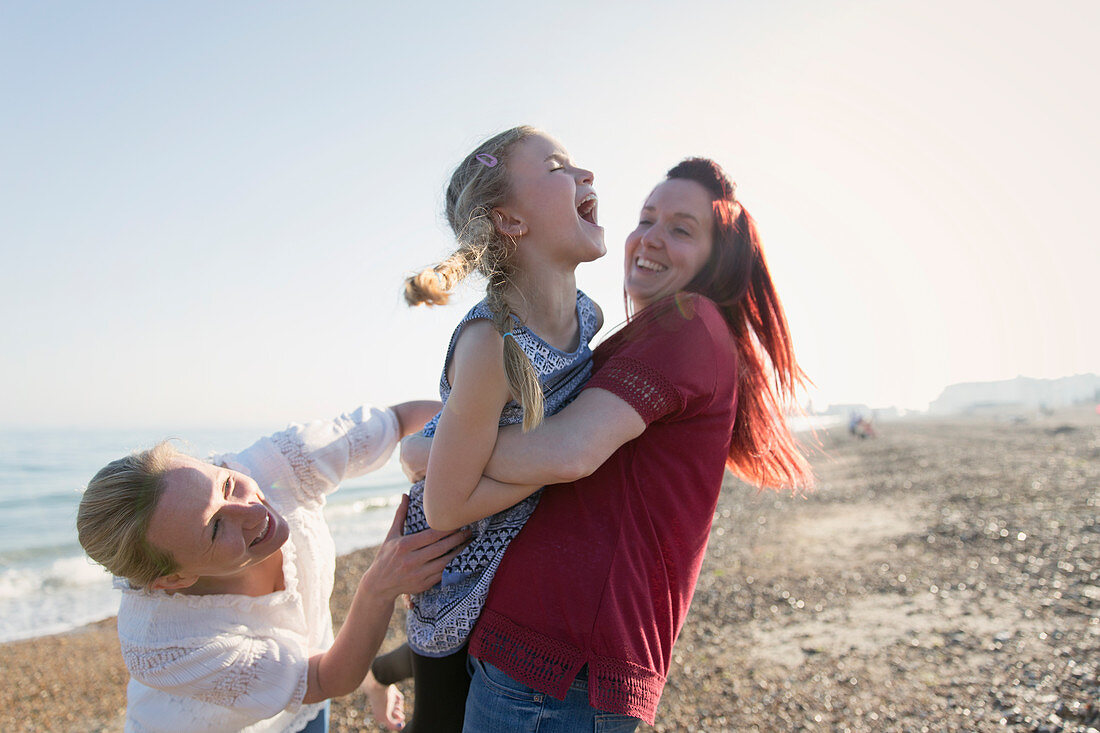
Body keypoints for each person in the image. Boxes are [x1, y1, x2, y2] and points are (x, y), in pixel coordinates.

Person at [410, 157, 815, 730]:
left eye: (681, 228)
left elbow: (567, 452)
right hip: (551, 664)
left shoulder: (688, 319)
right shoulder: (643, 332)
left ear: (716, 258)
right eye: (646, 218)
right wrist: (445, 434)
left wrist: (435, 453)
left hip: (558, 669)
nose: (650, 238)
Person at [368, 125, 605, 732]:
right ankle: (385, 670)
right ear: (511, 221)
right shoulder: (490, 343)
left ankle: (391, 666)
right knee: (438, 717)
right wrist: (553, 464)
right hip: (450, 564)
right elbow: (447, 504)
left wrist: (430, 450)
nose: (587, 176)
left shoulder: (587, 315)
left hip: (506, 540)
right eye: (557, 168)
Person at [75, 401, 468, 733]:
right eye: (215, 528)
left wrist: (487, 436)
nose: (251, 512)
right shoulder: (158, 645)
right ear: (175, 578)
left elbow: (401, 420)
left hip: (309, 703)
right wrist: (378, 588)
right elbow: (319, 679)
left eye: (226, 484)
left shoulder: (280, 465)